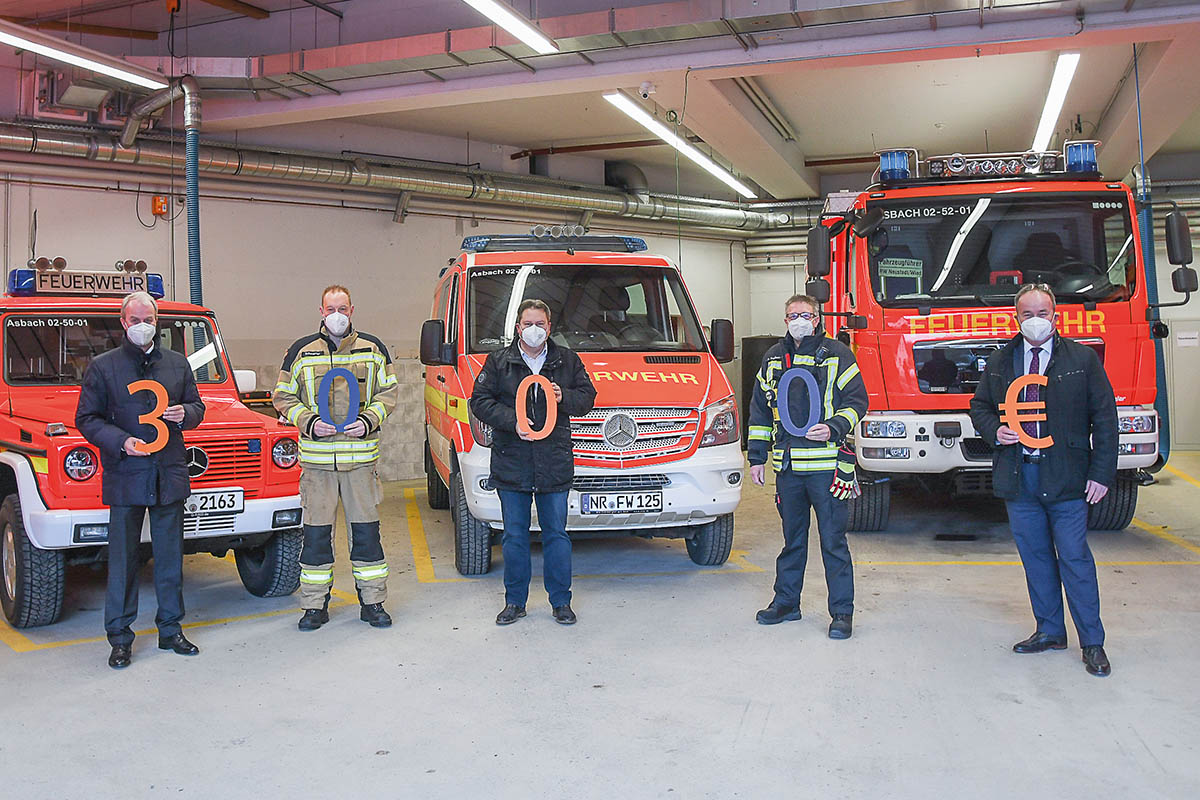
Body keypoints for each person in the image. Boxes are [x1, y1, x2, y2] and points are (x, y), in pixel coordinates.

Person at [970, 283, 1117, 677]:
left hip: (1068, 478)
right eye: (1027, 314)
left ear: (1056, 315)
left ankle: (1093, 643)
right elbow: (980, 405)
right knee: (1035, 559)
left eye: (1043, 313)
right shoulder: (1002, 360)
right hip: (1020, 478)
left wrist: (1102, 473)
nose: (1035, 320)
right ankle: (1050, 631)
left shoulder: (1081, 359)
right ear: (1016, 317)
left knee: (1075, 559)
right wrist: (993, 431)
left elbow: (1105, 419)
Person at [76, 291, 206, 669]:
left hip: (169, 474)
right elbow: (87, 419)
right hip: (126, 475)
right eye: (135, 320)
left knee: (169, 559)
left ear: (157, 319)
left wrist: (188, 414)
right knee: (123, 561)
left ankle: (171, 630)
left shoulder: (178, 364)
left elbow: (198, 406)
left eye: (148, 318)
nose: (142, 325)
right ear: (123, 322)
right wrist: (122, 442)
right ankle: (119, 637)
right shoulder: (104, 367)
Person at [273, 285, 399, 631]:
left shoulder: (373, 349)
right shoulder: (301, 352)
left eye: (343, 308)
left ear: (352, 309)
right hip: (317, 466)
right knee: (315, 539)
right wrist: (309, 422)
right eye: (331, 309)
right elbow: (282, 396)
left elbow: (388, 392)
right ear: (321, 311)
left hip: (360, 463)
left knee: (367, 536)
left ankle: (373, 602)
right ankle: (314, 606)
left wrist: (369, 420)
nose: (337, 315)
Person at [747, 294, 868, 638]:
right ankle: (786, 603)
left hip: (828, 468)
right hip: (788, 469)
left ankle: (841, 614)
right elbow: (759, 410)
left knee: (833, 542)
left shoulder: (838, 354)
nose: (798, 319)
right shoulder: (773, 358)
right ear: (785, 320)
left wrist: (834, 427)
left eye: (804, 314)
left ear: (817, 319)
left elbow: (858, 402)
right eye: (791, 315)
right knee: (792, 541)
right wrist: (757, 457)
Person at [470, 299, 597, 626]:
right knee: (514, 536)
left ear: (549, 327)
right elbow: (480, 402)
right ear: (518, 328)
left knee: (556, 535)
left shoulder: (566, 360)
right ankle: (515, 602)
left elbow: (587, 398)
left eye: (540, 323)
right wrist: (515, 421)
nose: (534, 329)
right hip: (512, 463)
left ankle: (560, 602)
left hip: (553, 463)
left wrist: (562, 396)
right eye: (528, 324)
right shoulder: (499, 362)